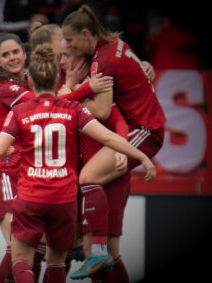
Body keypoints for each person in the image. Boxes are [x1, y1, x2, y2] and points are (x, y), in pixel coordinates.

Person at [0, 44, 156, 283]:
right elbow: (109, 137)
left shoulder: (20, 112)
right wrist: (141, 156)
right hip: (64, 200)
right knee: (57, 262)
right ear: (58, 77)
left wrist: (5, 146)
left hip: (31, 196)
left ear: (31, 82)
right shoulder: (74, 108)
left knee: (21, 259)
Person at [60, 5, 166, 281]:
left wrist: (70, 93)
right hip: (131, 129)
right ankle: (97, 251)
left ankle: (97, 251)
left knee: (89, 176)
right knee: (109, 249)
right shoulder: (114, 44)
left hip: (144, 130)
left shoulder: (101, 62)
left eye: (70, 40)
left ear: (86, 34)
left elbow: (104, 110)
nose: (67, 46)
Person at [0, 32, 46, 283]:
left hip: (26, 172)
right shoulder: (7, 88)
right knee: (19, 245)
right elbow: (45, 104)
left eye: (15, 52)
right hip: (5, 173)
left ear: (24, 53)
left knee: (36, 246)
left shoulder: (28, 82)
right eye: (5, 55)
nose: (12, 58)